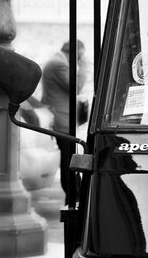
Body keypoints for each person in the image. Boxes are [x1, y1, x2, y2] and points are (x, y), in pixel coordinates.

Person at [41, 40, 87, 205]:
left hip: (63, 117)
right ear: (76, 53)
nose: (80, 59)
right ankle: (73, 197)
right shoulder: (58, 64)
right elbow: (77, 86)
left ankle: (75, 195)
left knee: (69, 157)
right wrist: (85, 65)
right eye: (80, 56)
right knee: (68, 159)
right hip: (62, 119)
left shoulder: (57, 61)